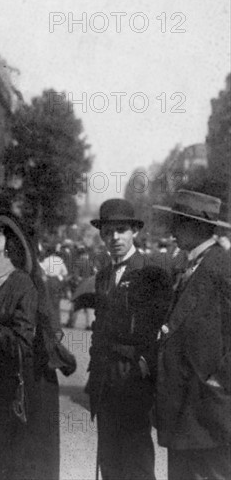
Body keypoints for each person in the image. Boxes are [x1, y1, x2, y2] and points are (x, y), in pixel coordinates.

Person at [0, 211, 67, 480]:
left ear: (11, 241)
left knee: (31, 459)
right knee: (7, 457)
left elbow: (23, 342)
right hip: (10, 377)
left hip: (34, 380)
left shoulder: (23, 282)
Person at [87, 198, 172, 480]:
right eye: (108, 232)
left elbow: (162, 327)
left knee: (136, 464)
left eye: (121, 230)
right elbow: (99, 328)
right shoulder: (103, 276)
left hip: (135, 381)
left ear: (134, 231)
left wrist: (146, 367)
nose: (115, 238)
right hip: (106, 382)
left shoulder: (151, 272)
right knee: (109, 463)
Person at [153, 190, 231, 480]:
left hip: (208, 408)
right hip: (185, 407)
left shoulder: (221, 267)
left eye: (179, 222)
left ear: (199, 227)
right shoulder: (191, 264)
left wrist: (219, 381)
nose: (172, 230)